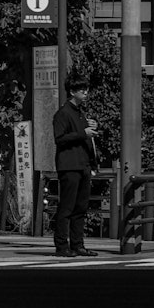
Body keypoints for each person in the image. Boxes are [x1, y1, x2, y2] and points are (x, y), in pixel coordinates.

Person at [52, 77, 100, 257]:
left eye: (86, 89)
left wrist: (92, 127)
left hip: (83, 165)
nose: (86, 92)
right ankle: (62, 246)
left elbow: (84, 135)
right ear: (72, 92)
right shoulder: (63, 113)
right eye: (82, 89)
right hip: (69, 166)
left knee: (81, 207)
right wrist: (83, 133)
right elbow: (60, 139)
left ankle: (77, 244)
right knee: (67, 207)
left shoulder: (81, 113)